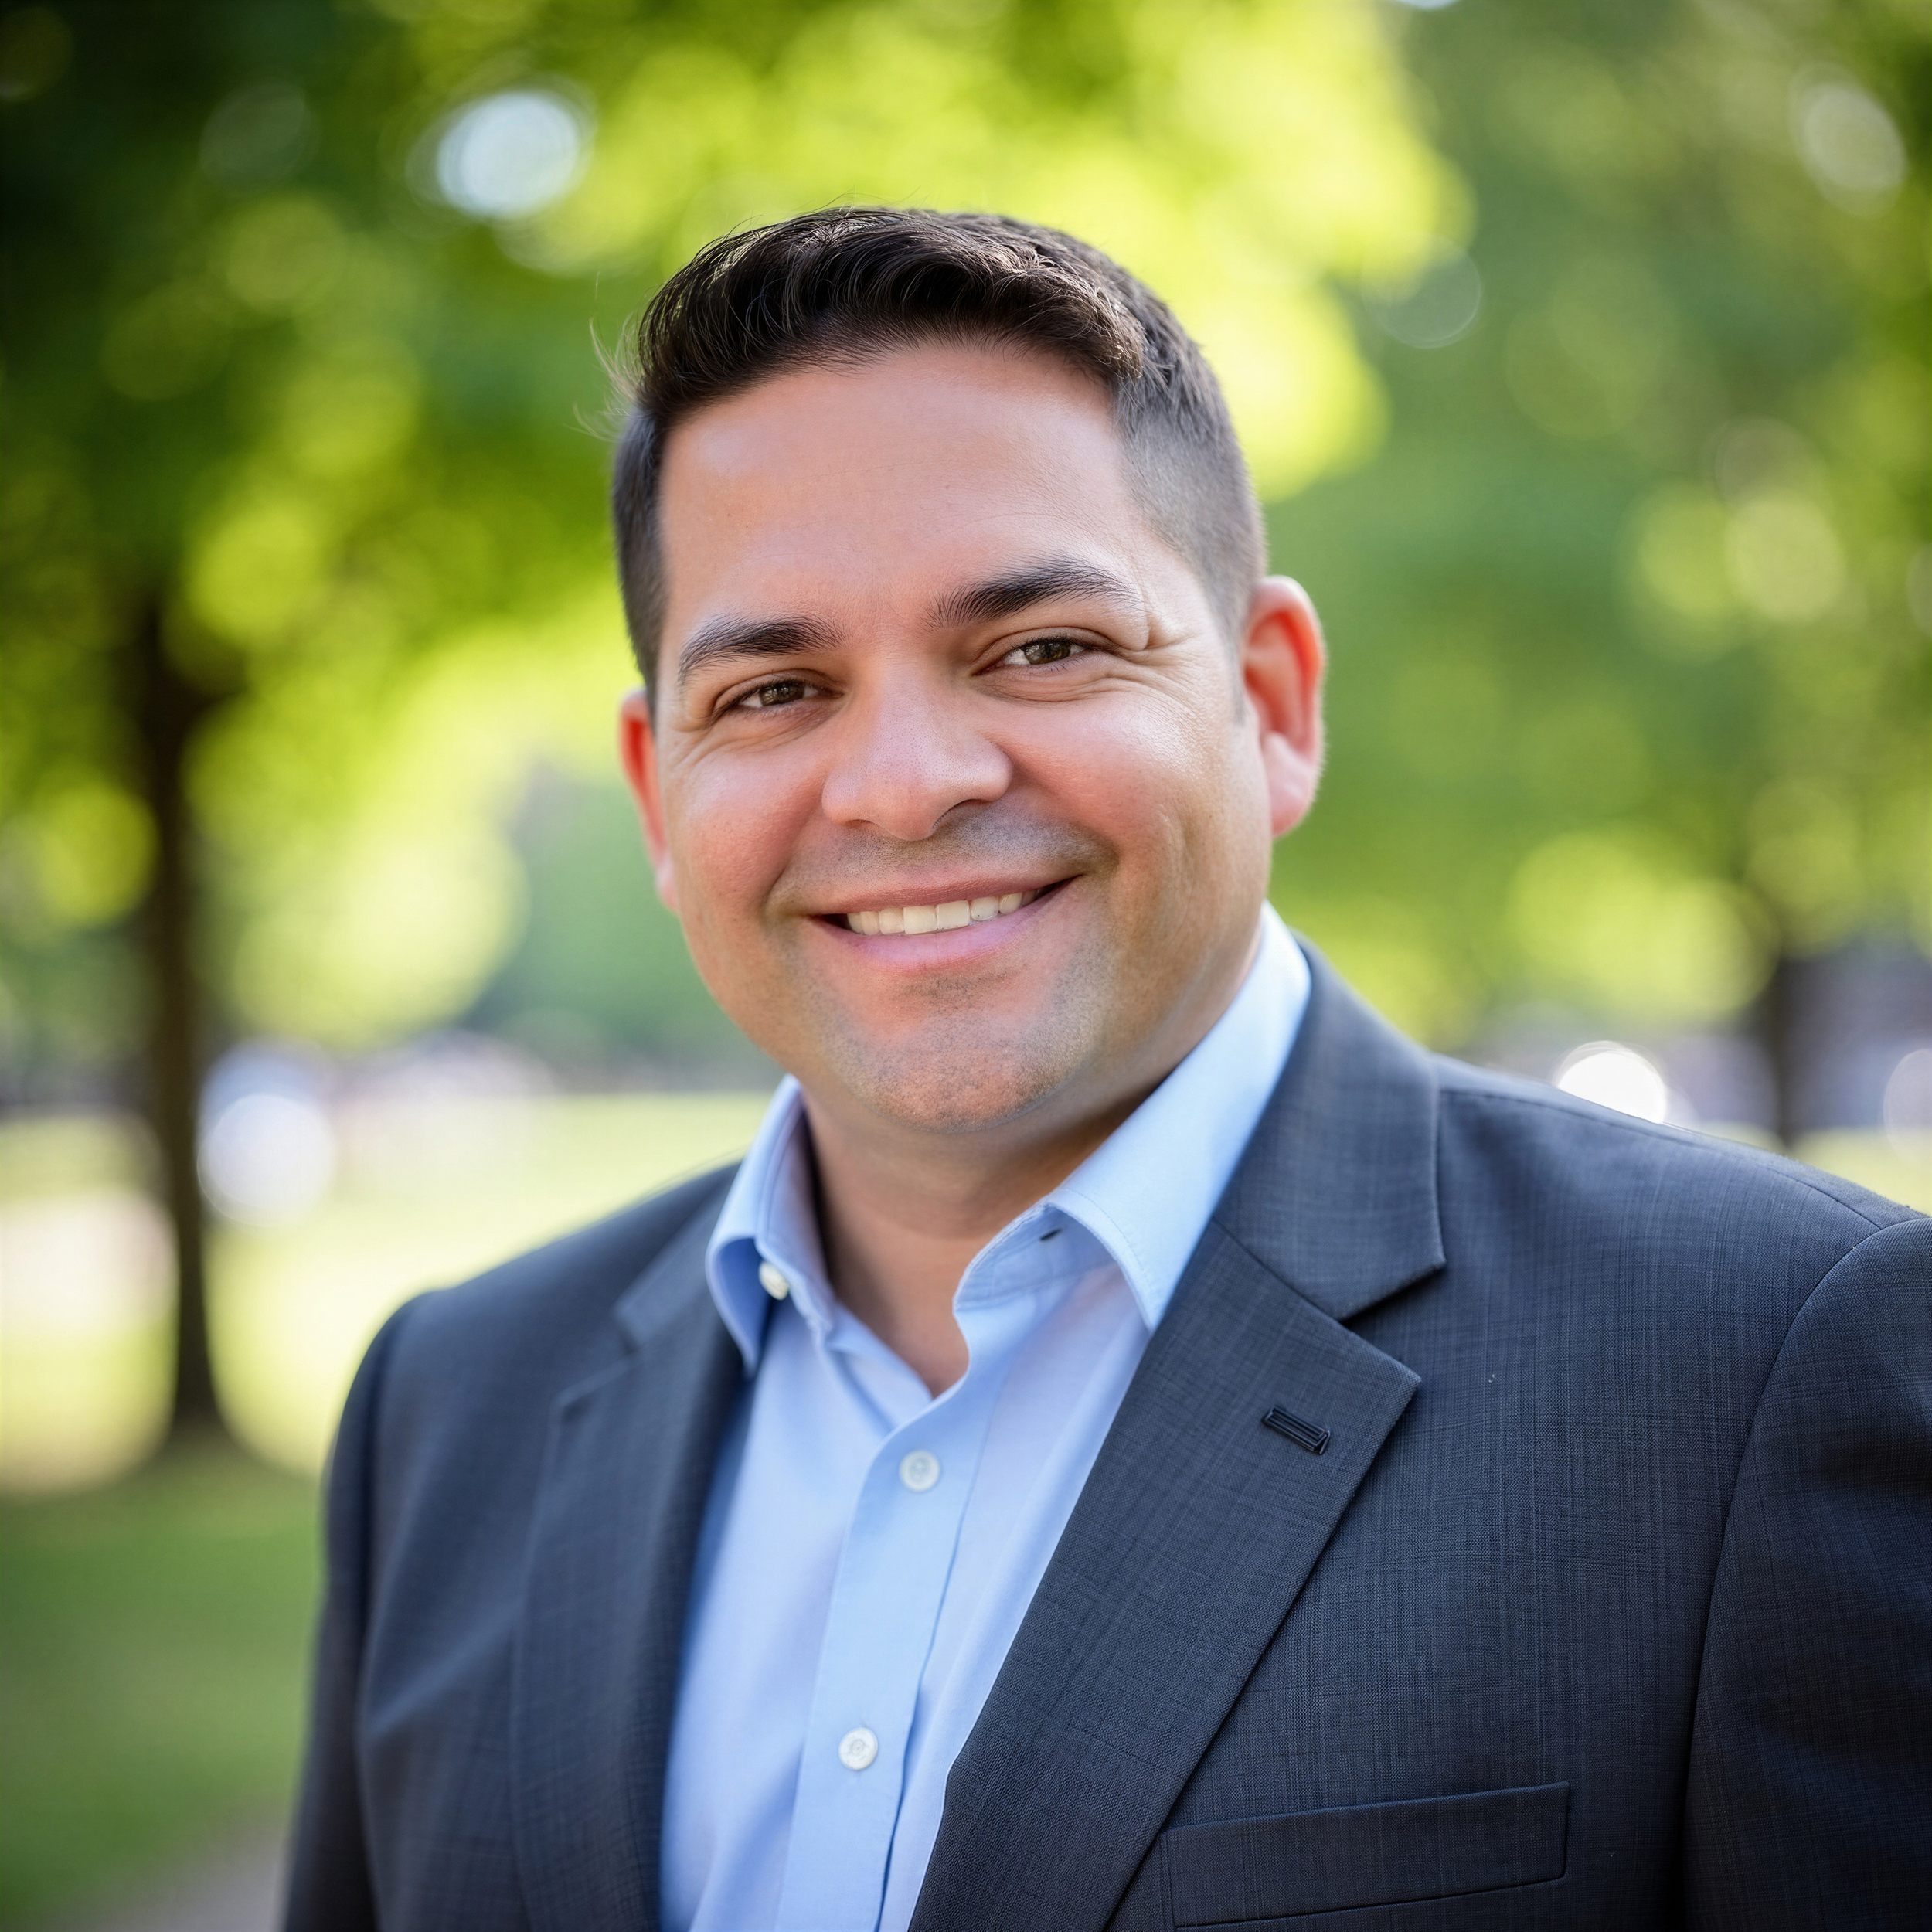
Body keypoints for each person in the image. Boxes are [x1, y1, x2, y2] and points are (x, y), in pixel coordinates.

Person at [284, 210, 1930, 1932]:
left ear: (1270, 700)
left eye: (1041, 647)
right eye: (775, 687)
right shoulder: (448, 1404)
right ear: (654, 790)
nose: (904, 784)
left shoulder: (1754, 1371)